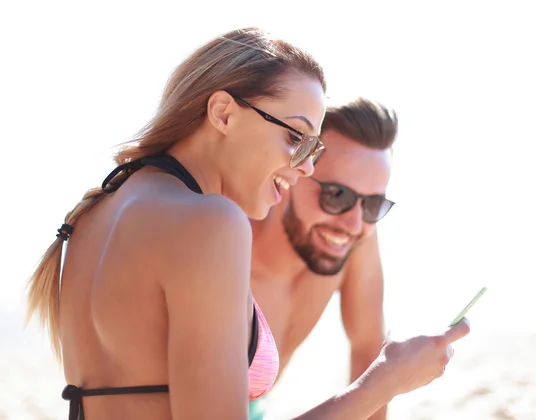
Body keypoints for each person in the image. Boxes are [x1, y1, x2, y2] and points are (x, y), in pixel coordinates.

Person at [25, 27, 470, 420]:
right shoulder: (210, 222)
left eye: (311, 150)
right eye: (295, 137)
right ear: (222, 113)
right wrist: (385, 382)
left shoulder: (95, 213)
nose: (305, 168)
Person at [247, 98, 445, 419]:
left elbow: (369, 352)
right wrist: (384, 383)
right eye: (337, 195)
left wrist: (382, 382)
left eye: (372, 205)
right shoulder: (225, 248)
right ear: (293, 172)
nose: (353, 225)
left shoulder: (351, 236)